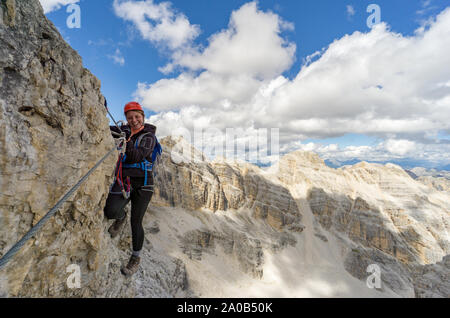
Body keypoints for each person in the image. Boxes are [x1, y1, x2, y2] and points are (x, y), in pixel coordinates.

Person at [104, 101, 157, 277]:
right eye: (130, 118)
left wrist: (125, 139)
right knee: (110, 211)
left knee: (137, 221)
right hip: (125, 179)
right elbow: (103, 126)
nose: (134, 120)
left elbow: (135, 156)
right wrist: (100, 107)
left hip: (144, 184)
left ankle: (135, 258)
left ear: (143, 117)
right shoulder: (124, 131)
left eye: (137, 117)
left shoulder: (149, 136)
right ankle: (121, 216)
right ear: (126, 119)